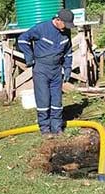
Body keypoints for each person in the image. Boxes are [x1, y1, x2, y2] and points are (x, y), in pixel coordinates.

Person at [16, 9, 74, 138]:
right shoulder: (42, 28)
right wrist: (29, 56)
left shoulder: (66, 32)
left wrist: (68, 67)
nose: (66, 28)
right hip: (41, 69)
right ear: (58, 20)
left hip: (56, 70)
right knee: (43, 99)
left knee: (57, 100)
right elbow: (22, 39)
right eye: (65, 24)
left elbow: (68, 52)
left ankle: (57, 127)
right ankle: (45, 129)